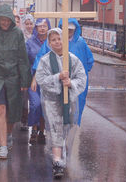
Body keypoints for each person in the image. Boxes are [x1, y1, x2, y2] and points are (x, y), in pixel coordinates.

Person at [35, 28, 86, 179]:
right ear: (49, 43)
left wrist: (71, 82)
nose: (57, 42)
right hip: (52, 101)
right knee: (56, 129)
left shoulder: (73, 59)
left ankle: (64, 156)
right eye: (54, 40)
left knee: (67, 128)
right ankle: (57, 162)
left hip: (69, 101)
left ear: (65, 40)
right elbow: (41, 79)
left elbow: (81, 78)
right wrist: (58, 77)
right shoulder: (45, 60)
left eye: (59, 39)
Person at [0, 4, 31, 159]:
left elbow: (22, 58)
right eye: (2, 20)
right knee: (0, 109)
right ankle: (3, 146)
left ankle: (8, 133)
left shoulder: (17, 33)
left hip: (13, 77)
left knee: (12, 111)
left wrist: (25, 80)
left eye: (7, 20)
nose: (5, 23)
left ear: (12, 20)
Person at [33, 18, 94, 125]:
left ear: (75, 29)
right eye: (66, 29)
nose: (68, 32)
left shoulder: (80, 43)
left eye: (71, 29)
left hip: (73, 82)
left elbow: (89, 61)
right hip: (56, 80)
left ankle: (70, 134)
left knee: (75, 108)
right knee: (55, 109)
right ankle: (57, 135)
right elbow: (41, 59)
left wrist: (78, 75)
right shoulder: (54, 42)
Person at [26, 18, 51, 143]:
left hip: (48, 80)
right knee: (35, 104)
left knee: (44, 105)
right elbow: (25, 61)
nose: (42, 28)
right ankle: (34, 128)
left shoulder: (53, 41)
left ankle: (42, 130)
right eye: (39, 26)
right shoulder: (30, 43)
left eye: (44, 26)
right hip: (33, 78)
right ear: (36, 28)